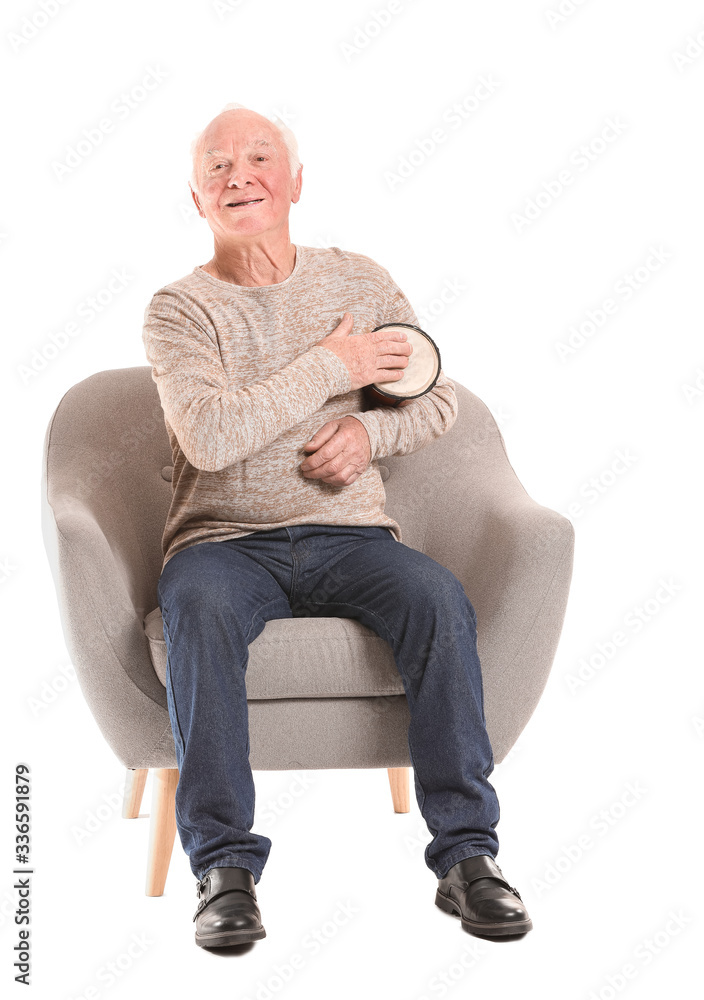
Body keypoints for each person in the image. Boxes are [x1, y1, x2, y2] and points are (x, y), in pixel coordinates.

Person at [142, 102, 532, 949]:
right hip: (221, 544)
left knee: (436, 598)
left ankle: (468, 857)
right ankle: (224, 871)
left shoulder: (357, 281)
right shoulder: (178, 310)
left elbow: (435, 396)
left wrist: (368, 430)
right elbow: (209, 437)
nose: (239, 174)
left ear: (296, 181)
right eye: (217, 166)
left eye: (258, 158)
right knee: (198, 611)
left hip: (352, 537)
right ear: (196, 198)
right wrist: (334, 365)